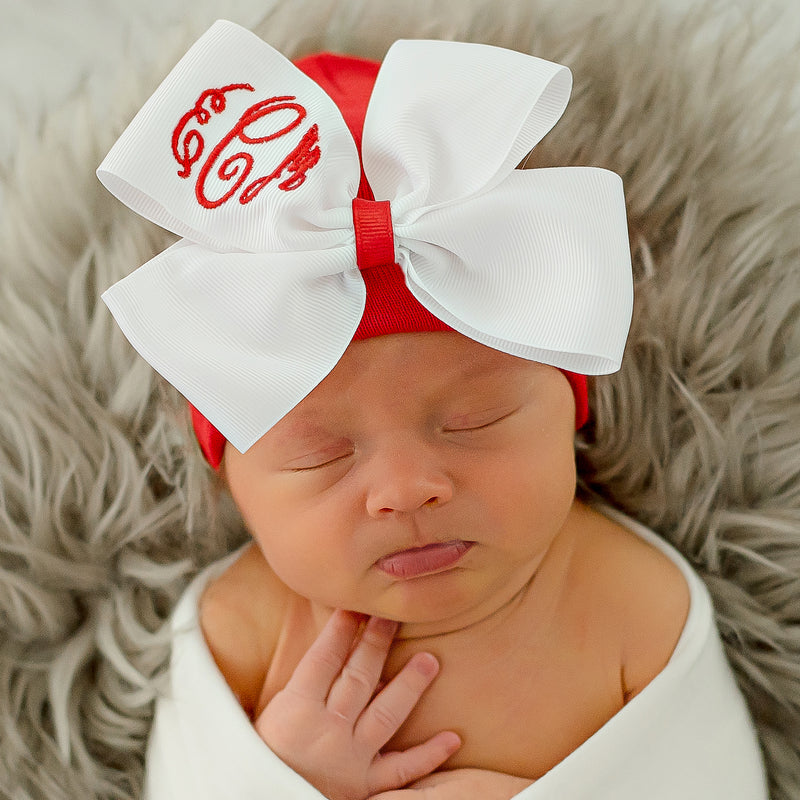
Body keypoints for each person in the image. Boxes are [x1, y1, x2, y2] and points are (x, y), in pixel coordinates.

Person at [96, 20, 767, 800]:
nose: (408, 489)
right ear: (228, 487)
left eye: (476, 418)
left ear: (572, 415)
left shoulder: (633, 606)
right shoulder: (241, 631)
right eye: (320, 454)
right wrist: (282, 777)